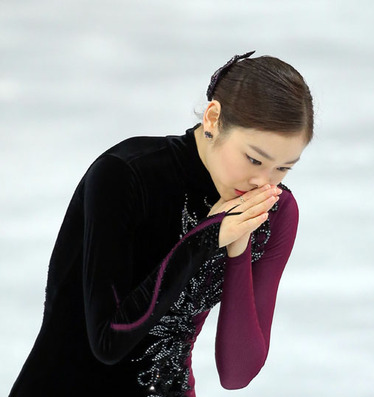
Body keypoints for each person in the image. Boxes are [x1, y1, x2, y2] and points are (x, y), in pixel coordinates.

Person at [9, 51, 314, 397]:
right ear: (213, 118)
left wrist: (238, 246)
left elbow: (237, 372)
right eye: (254, 158)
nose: (263, 181)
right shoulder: (126, 176)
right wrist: (205, 238)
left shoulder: (274, 211)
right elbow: (108, 342)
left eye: (283, 168)